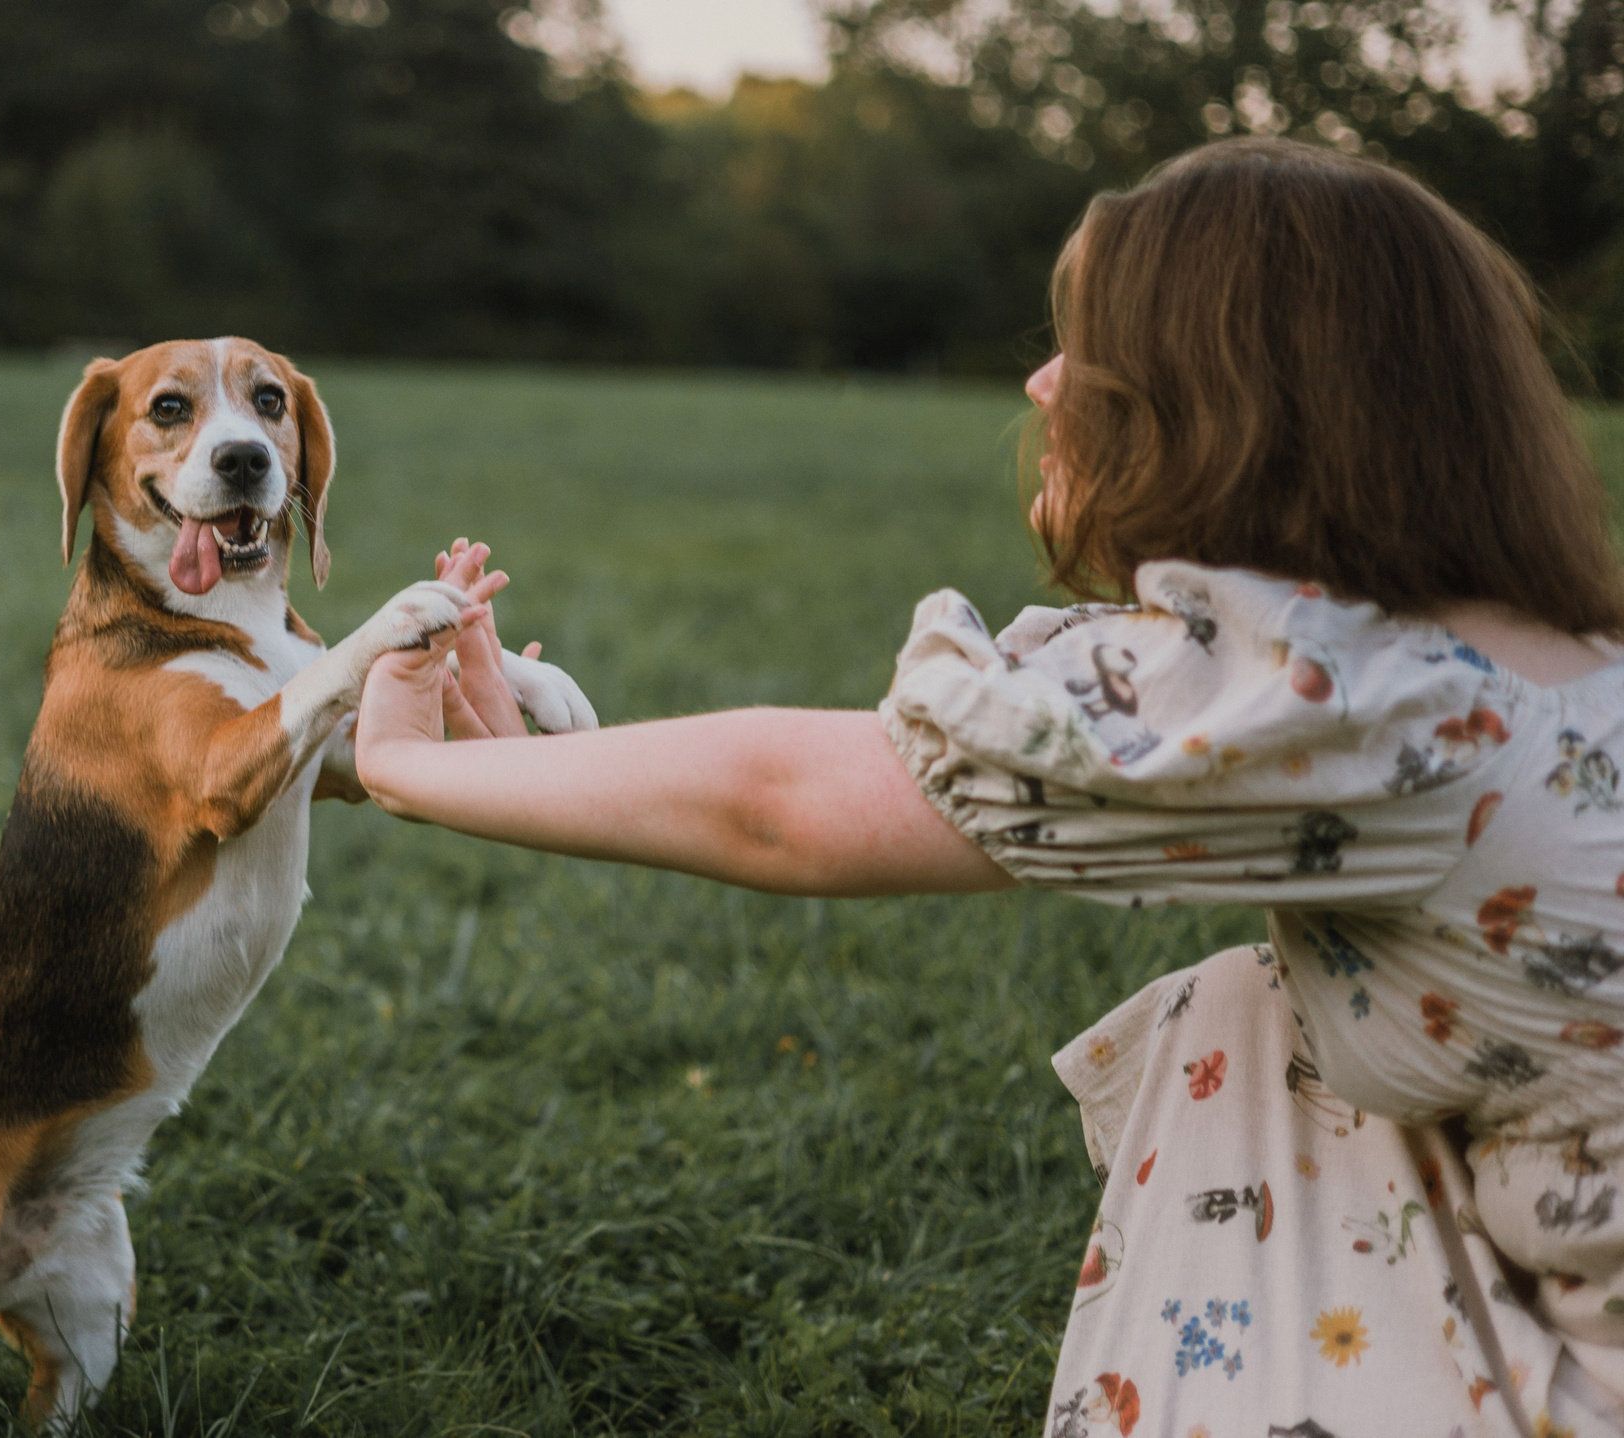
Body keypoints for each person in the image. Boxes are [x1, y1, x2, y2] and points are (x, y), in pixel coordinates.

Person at [355, 138, 1624, 1438]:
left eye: (1093, 346)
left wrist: (409, 763)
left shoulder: (1365, 700)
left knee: (1244, 1027)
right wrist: (527, 748)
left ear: (1229, 395)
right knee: (1246, 1017)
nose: (1043, 379)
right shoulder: (1518, 658)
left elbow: (784, 801)